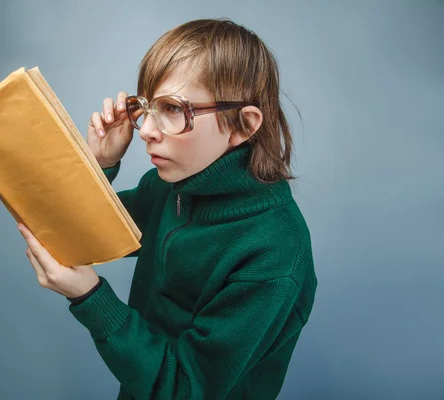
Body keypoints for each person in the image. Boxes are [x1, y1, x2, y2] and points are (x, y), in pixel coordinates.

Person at [18, 17, 317, 400]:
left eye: (173, 109)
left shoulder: (275, 252)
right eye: (146, 107)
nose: (144, 131)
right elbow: (84, 235)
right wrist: (97, 166)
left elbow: (184, 390)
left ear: (244, 125)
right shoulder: (169, 185)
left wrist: (91, 299)